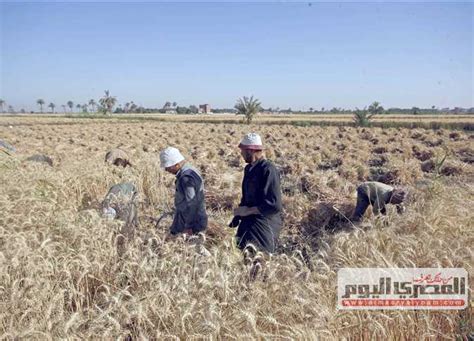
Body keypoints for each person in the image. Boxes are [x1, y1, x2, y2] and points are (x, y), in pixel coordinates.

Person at [229, 133, 282, 253]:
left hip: (263, 225)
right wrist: (238, 215)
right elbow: (246, 197)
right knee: (243, 256)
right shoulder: (248, 169)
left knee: (260, 260)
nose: (241, 154)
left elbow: (274, 205)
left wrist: (247, 211)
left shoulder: (268, 169)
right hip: (248, 223)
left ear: (250, 151)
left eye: (242, 151)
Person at [160, 147, 208, 235]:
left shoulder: (186, 178)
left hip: (190, 222)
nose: (166, 170)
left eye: (168, 167)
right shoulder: (191, 169)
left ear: (176, 164)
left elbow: (192, 203)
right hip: (189, 218)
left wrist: (189, 227)